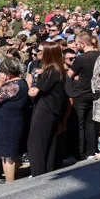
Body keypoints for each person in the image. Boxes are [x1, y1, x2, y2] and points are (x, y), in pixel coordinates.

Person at [27, 43, 68, 176]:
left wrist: (33, 85)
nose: (37, 53)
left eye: (40, 51)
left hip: (45, 110)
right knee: (48, 143)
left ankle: (38, 174)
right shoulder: (55, 69)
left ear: (48, 53)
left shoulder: (50, 71)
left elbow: (34, 91)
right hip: (52, 110)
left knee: (36, 143)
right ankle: (45, 173)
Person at [0, 57, 29, 183]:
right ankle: (15, 179)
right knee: (12, 153)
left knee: (7, 155)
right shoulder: (22, 82)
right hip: (12, 122)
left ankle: (10, 183)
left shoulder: (13, 86)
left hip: (7, 124)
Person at [68, 32, 100, 159]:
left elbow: (69, 75)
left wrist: (71, 91)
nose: (76, 47)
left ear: (82, 43)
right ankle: (91, 152)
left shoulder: (81, 58)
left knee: (79, 125)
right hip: (95, 94)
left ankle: (80, 153)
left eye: (77, 44)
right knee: (91, 124)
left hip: (81, 95)